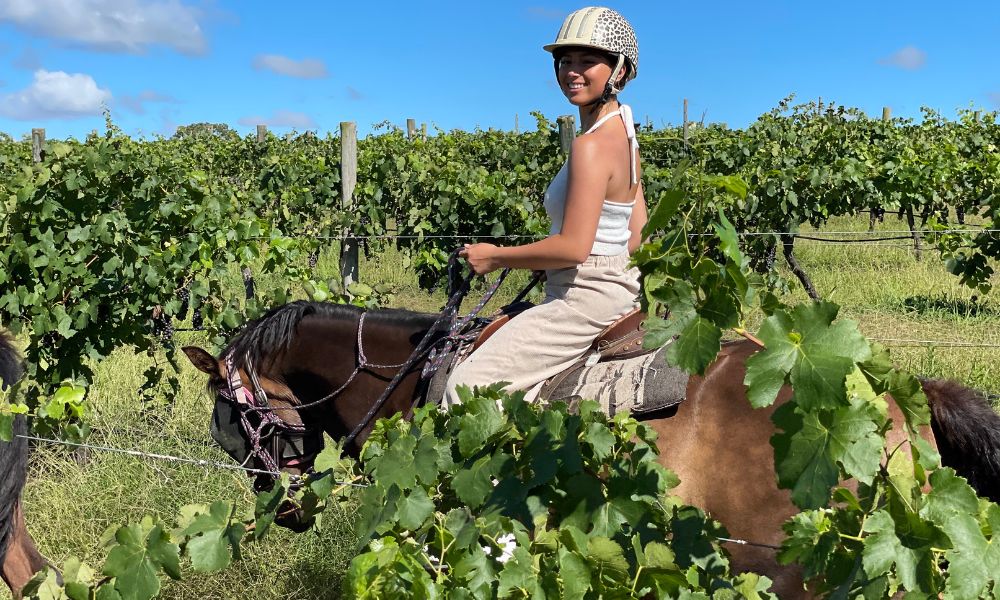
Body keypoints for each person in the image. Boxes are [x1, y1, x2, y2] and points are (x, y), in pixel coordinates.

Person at [444, 6, 647, 406]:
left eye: (588, 61)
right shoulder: (625, 135)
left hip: (582, 298)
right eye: (565, 60)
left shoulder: (590, 146)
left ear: (619, 71)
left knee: (466, 390)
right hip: (617, 291)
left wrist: (495, 257)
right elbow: (635, 235)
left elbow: (574, 248)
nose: (572, 71)